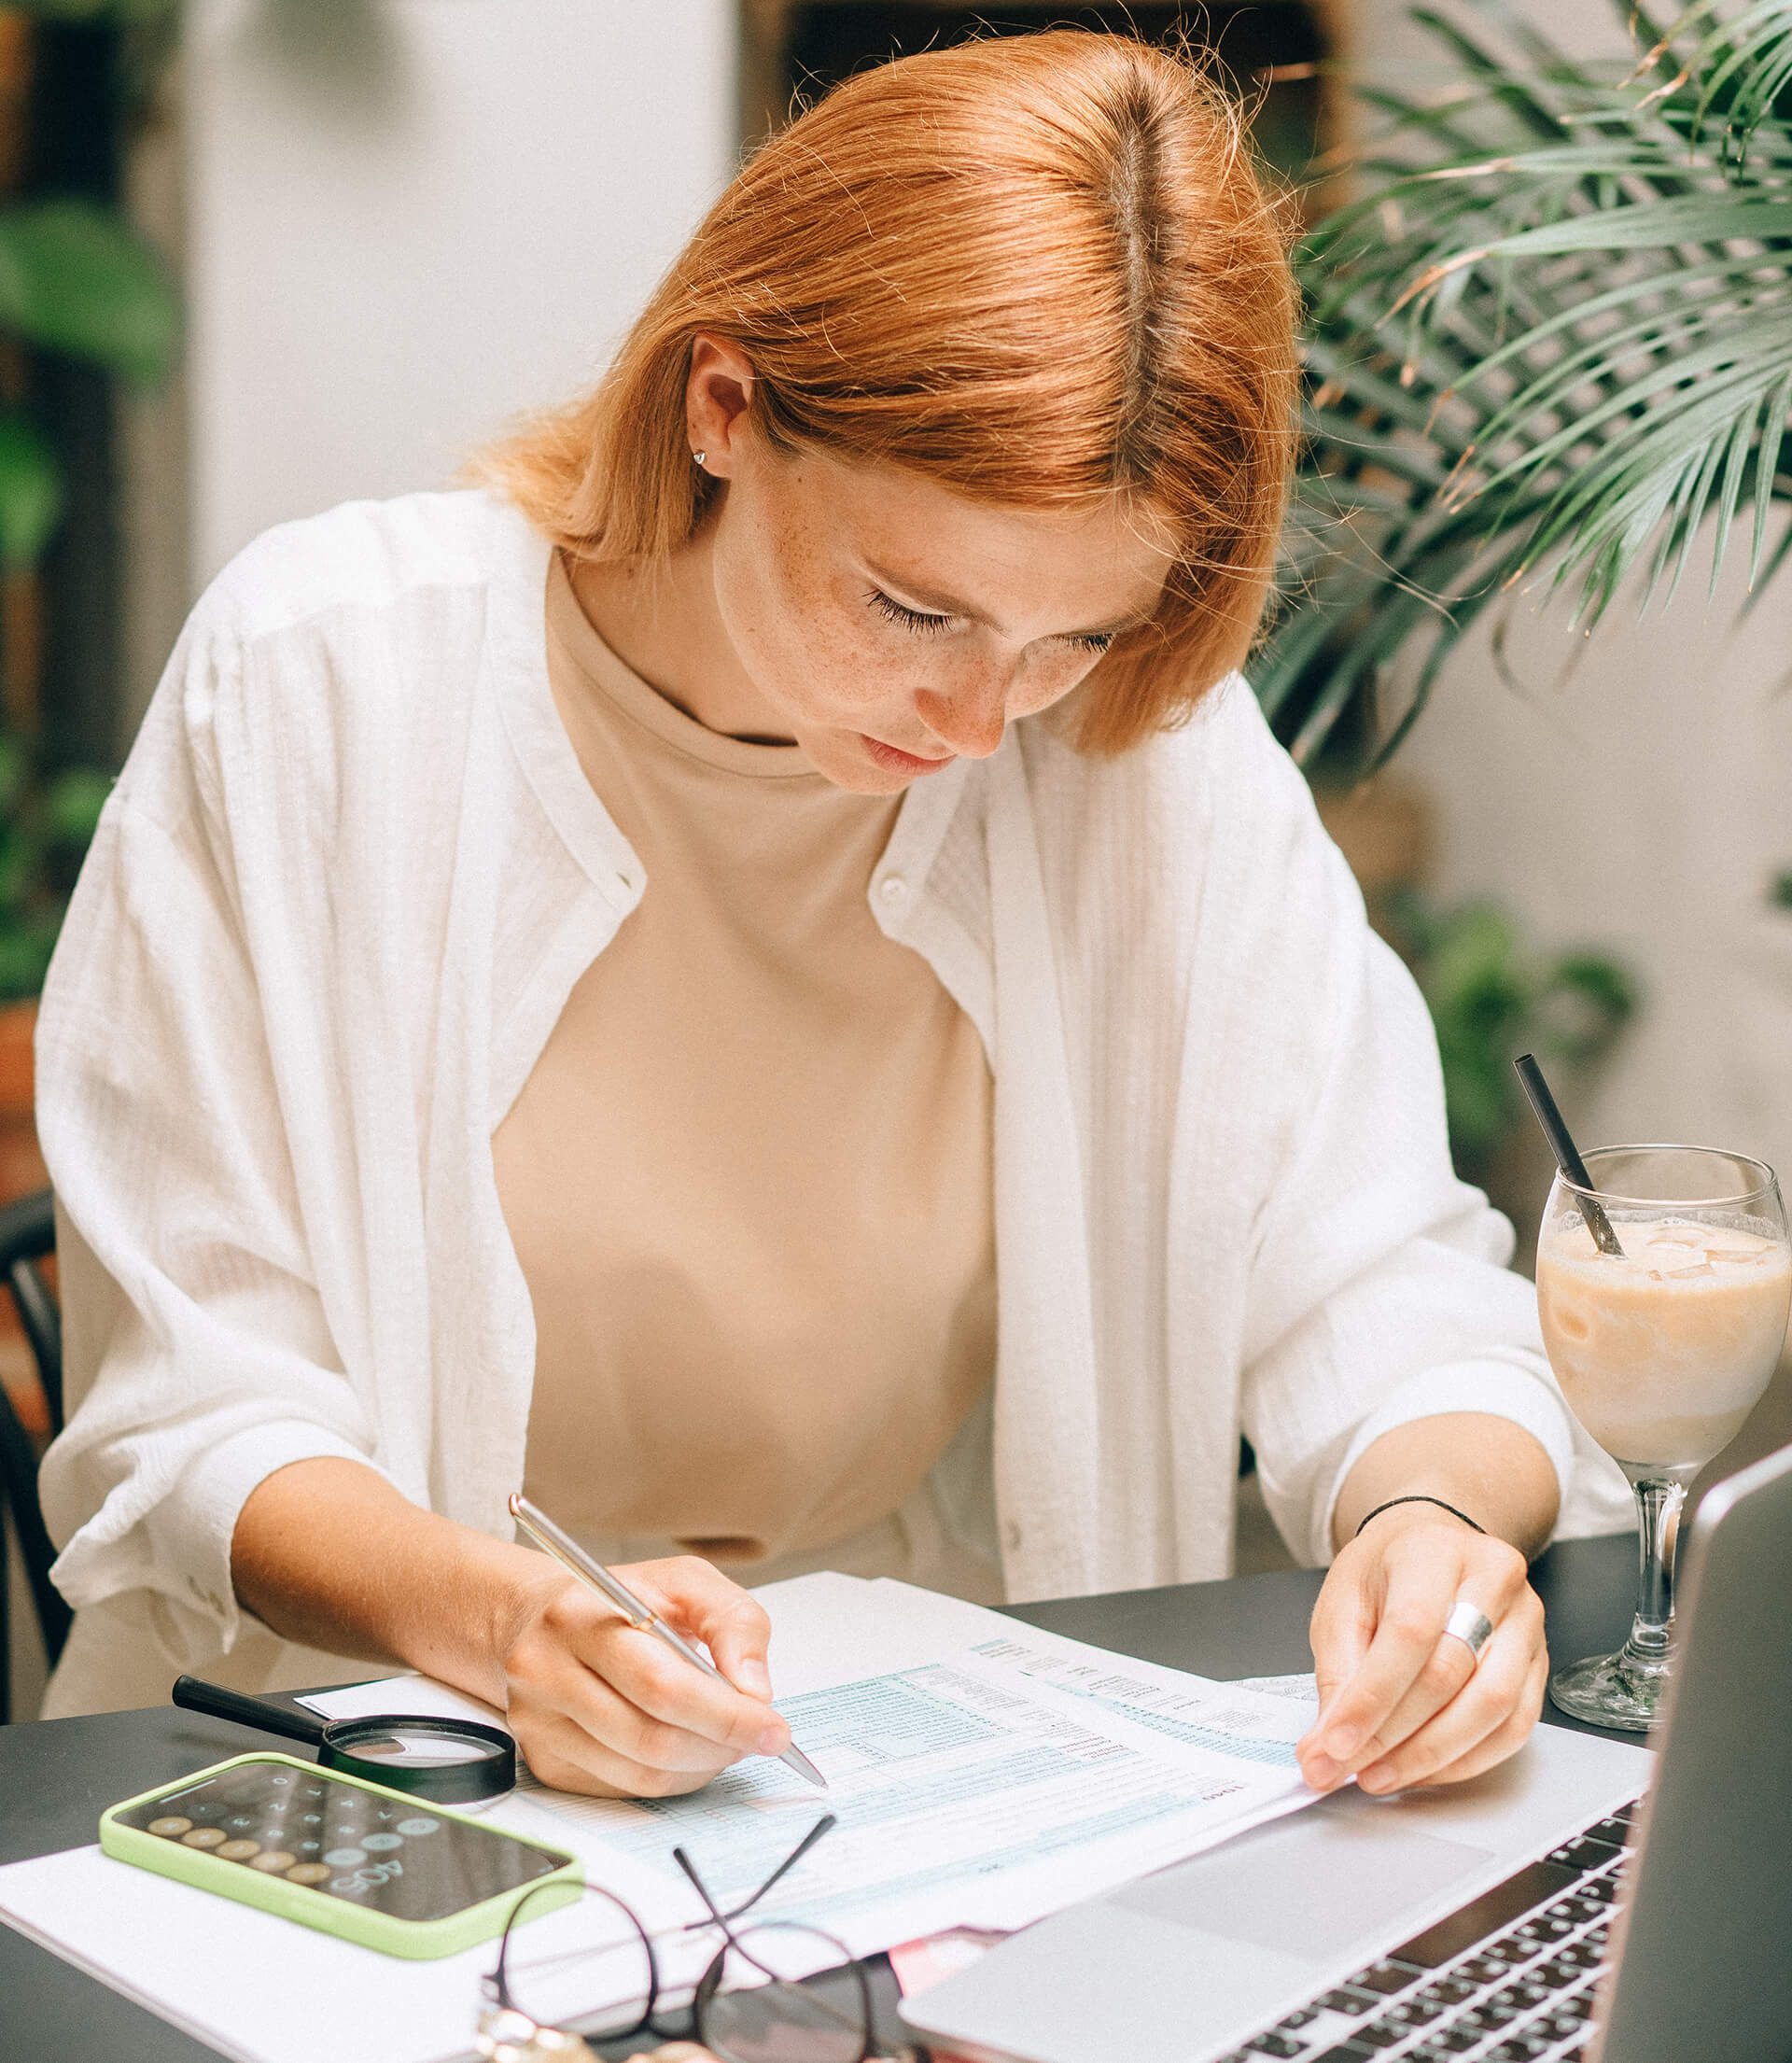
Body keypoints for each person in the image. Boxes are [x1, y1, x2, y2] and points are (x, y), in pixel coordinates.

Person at [35, 31, 1627, 1801]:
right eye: (913, 605)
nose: (976, 721)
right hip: (369, 1767)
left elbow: (1385, 1275)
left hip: (902, 1779)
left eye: (1076, 633)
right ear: (723, 404)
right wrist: (505, 1628)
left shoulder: (1130, 756)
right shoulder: (320, 687)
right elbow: (192, 1412)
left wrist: (1431, 1524)